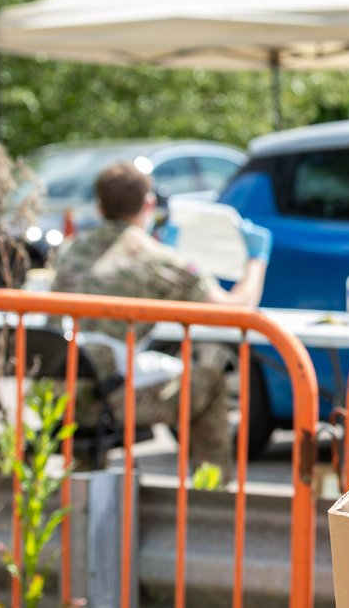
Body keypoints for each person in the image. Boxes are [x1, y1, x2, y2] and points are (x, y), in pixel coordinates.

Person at [50, 160, 272, 472]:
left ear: (99, 206)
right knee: (209, 382)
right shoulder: (157, 259)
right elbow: (236, 310)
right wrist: (257, 260)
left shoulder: (70, 252)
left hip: (61, 392)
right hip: (113, 397)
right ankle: (210, 494)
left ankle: (87, 483)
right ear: (149, 204)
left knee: (104, 378)